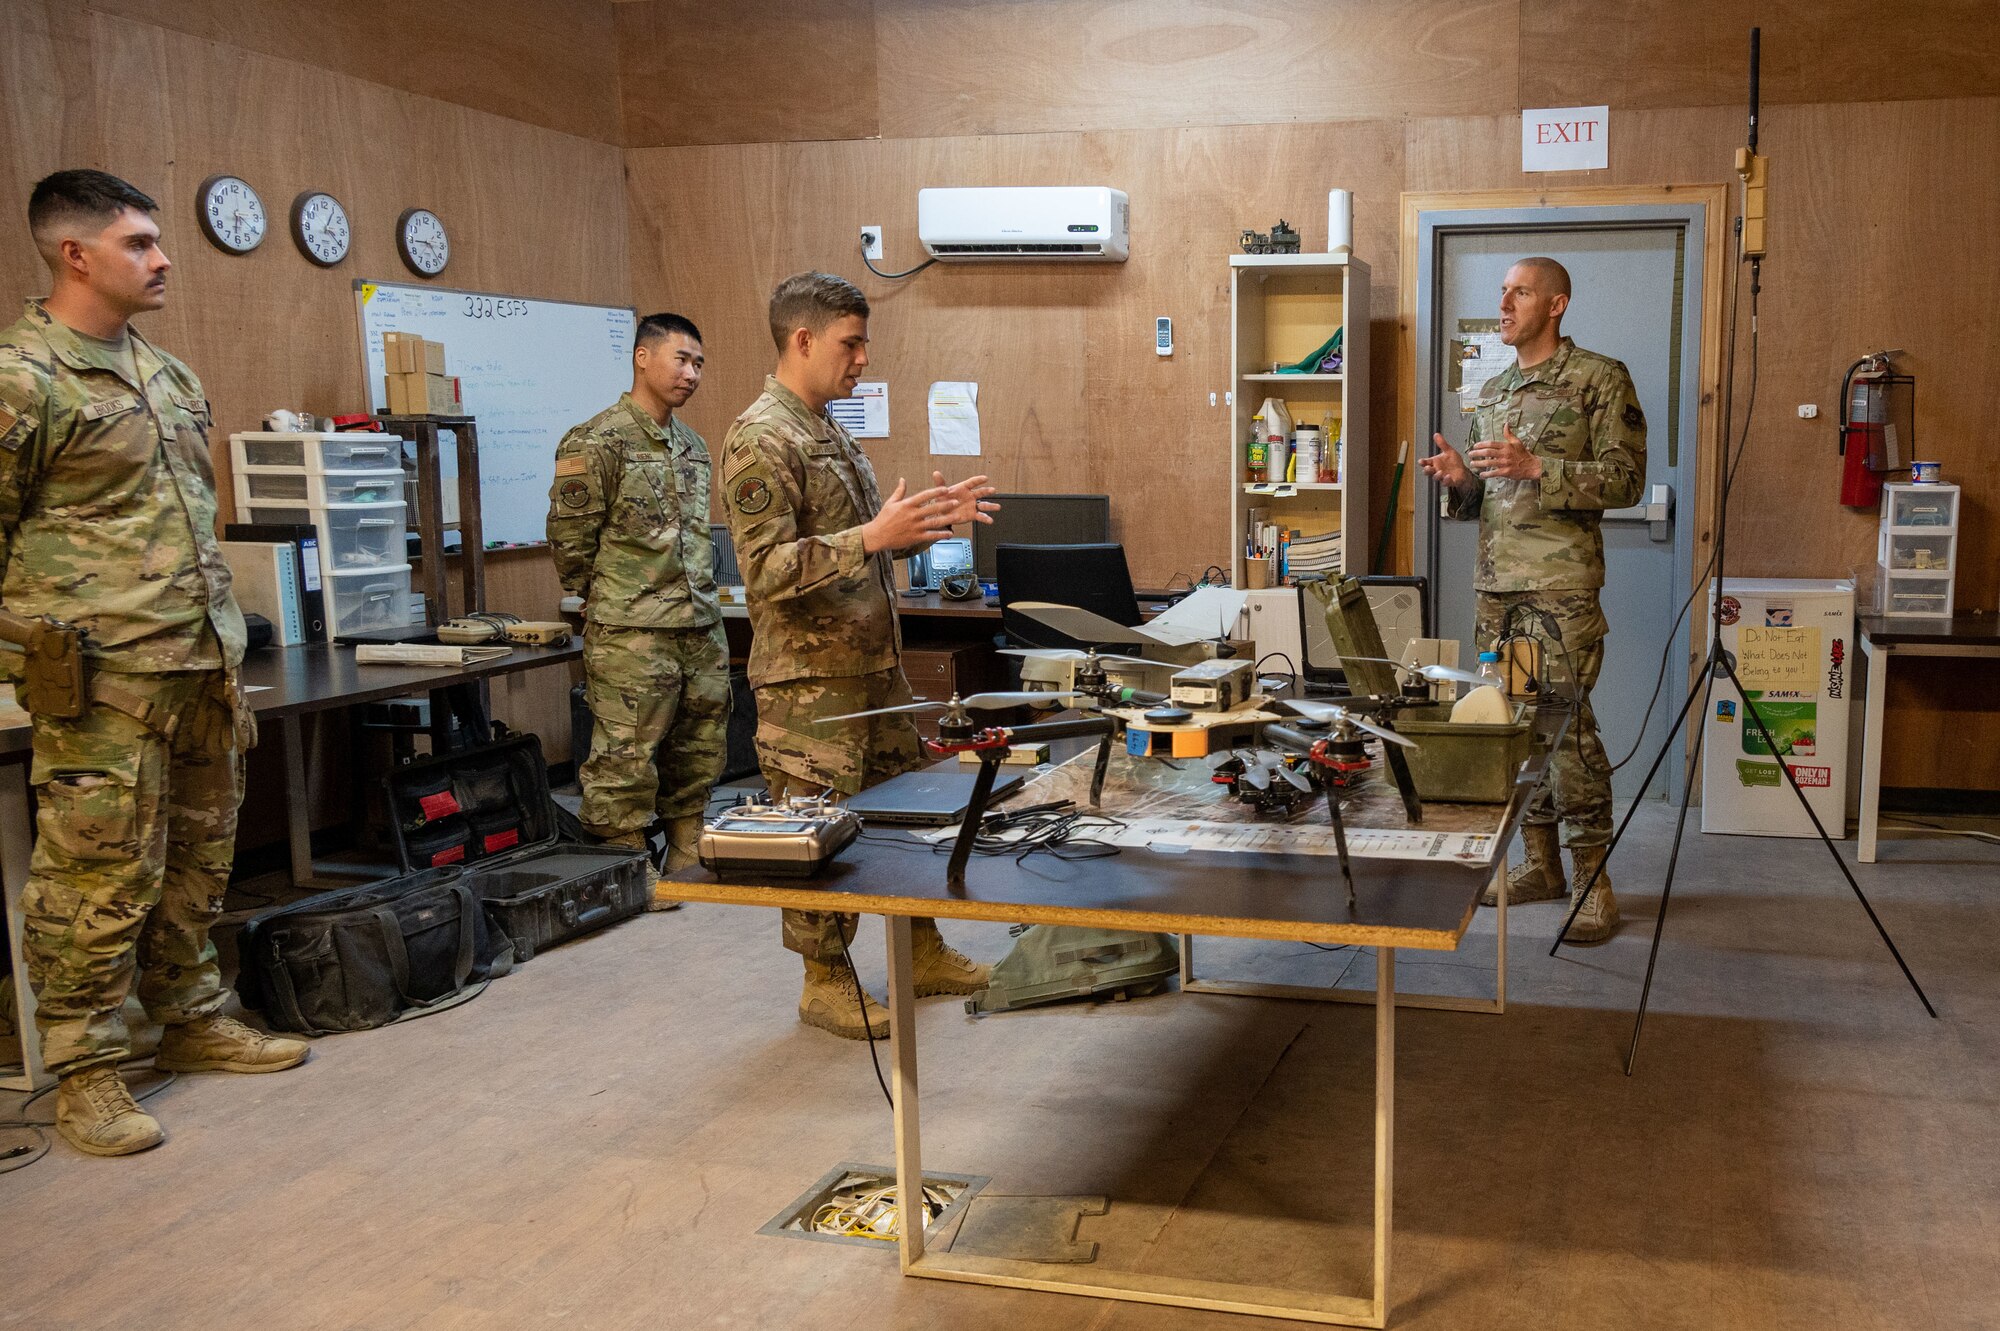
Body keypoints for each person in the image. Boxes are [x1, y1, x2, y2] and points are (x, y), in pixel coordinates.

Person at [0, 170, 307, 1157]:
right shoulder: (22, 376)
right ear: (73, 253)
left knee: (196, 861)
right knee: (94, 879)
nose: (163, 257)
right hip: (99, 679)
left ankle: (190, 1012)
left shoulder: (165, 374)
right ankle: (87, 1070)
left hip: (198, 664)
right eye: (139, 242)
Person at [721, 272, 997, 1038]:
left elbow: (853, 544)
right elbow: (768, 570)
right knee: (818, 835)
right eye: (851, 342)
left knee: (904, 825)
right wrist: (873, 536)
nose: (864, 358)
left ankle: (921, 948)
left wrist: (920, 525)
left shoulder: (826, 429)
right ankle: (825, 979)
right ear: (802, 340)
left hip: (871, 673)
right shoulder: (759, 438)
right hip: (811, 689)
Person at [1418, 256, 1646, 943]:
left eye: (1520, 291)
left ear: (1557, 304)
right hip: (1500, 595)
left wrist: (1539, 465)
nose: (1505, 301)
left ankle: (1593, 884)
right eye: (1502, 291)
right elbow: (1481, 500)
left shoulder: (1599, 379)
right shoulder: (1493, 390)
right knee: (1514, 731)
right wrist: (1460, 478)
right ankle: (1541, 865)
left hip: (1561, 596)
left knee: (1567, 733)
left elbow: (1627, 479)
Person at [547, 312, 728, 909]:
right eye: (681, 359)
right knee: (625, 755)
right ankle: (628, 866)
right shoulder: (595, 441)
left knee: (698, 746)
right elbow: (571, 545)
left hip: (698, 623)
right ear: (642, 358)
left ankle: (686, 851)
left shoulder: (693, 446)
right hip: (632, 630)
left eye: (699, 362)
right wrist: (612, 603)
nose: (691, 373)